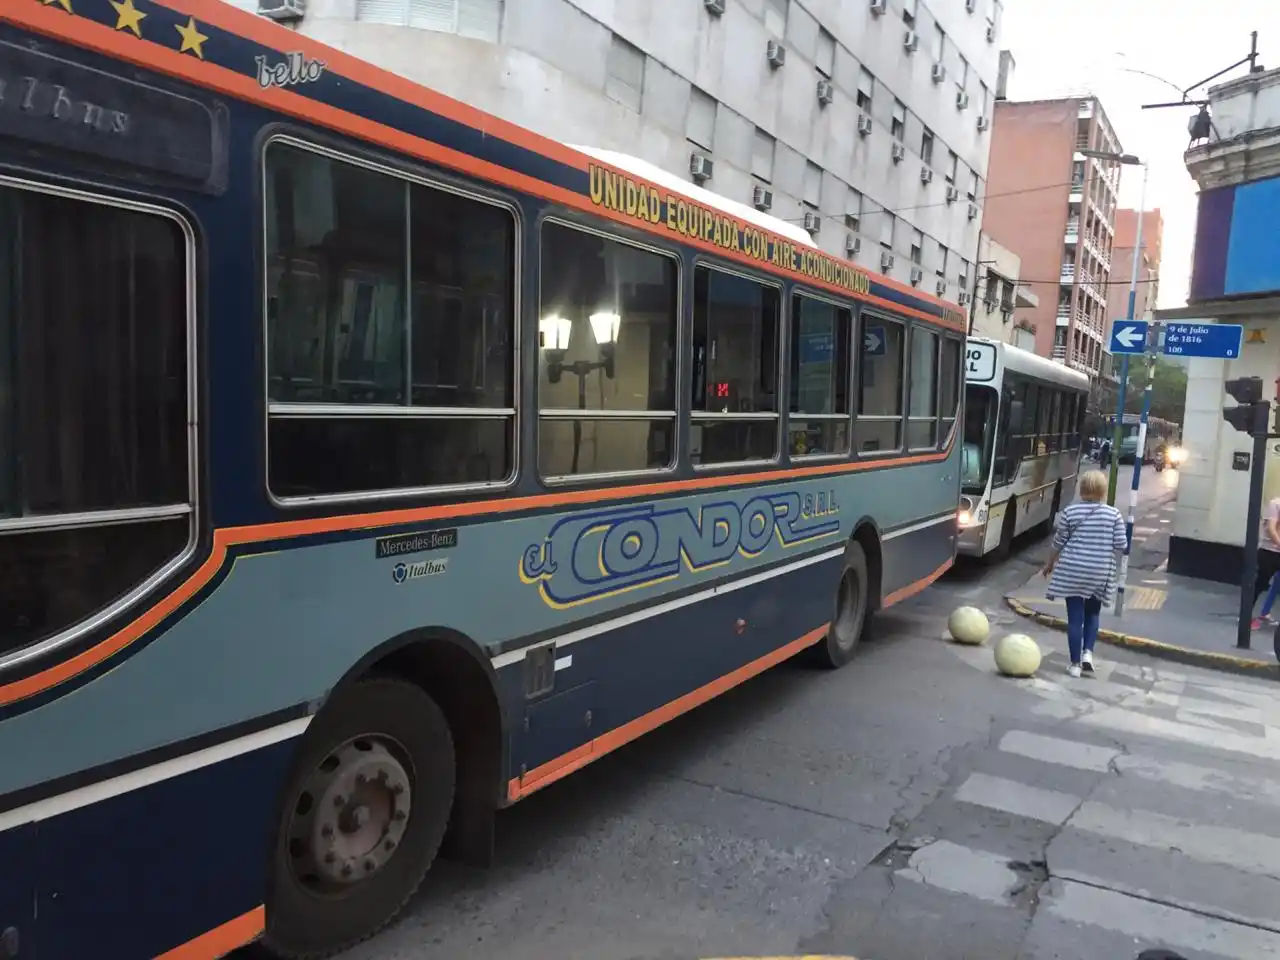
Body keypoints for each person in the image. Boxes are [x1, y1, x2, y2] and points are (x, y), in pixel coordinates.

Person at [1041, 469, 1128, 678]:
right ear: (1103, 490)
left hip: (1072, 569)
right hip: (1098, 570)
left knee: (1074, 619)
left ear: (1082, 489)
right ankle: (1088, 653)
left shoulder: (1071, 513)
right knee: (1092, 614)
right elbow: (1121, 545)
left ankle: (1075, 665)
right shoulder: (1113, 514)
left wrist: (1049, 564)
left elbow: (1058, 542)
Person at [1250, 496, 1280, 630]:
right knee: (1261, 583)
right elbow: (1271, 529)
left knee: (1277, 584)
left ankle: (1264, 613)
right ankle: (1246, 613)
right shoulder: (1275, 504)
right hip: (1269, 552)